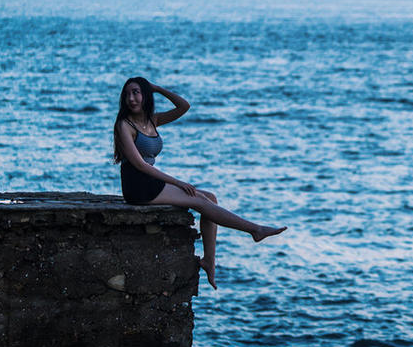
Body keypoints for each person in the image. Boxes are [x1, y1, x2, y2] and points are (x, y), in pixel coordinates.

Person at [113, 76, 286, 289]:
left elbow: (183, 106)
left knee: (210, 197)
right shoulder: (124, 125)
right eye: (128, 94)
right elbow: (140, 165)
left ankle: (209, 261)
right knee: (199, 201)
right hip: (138, 187)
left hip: (151, 182)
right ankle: (255, 230)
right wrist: (178, 182)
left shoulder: (152, 121)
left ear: (145, 95)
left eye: (137, 92)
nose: (132, 98)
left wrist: (157, 88)